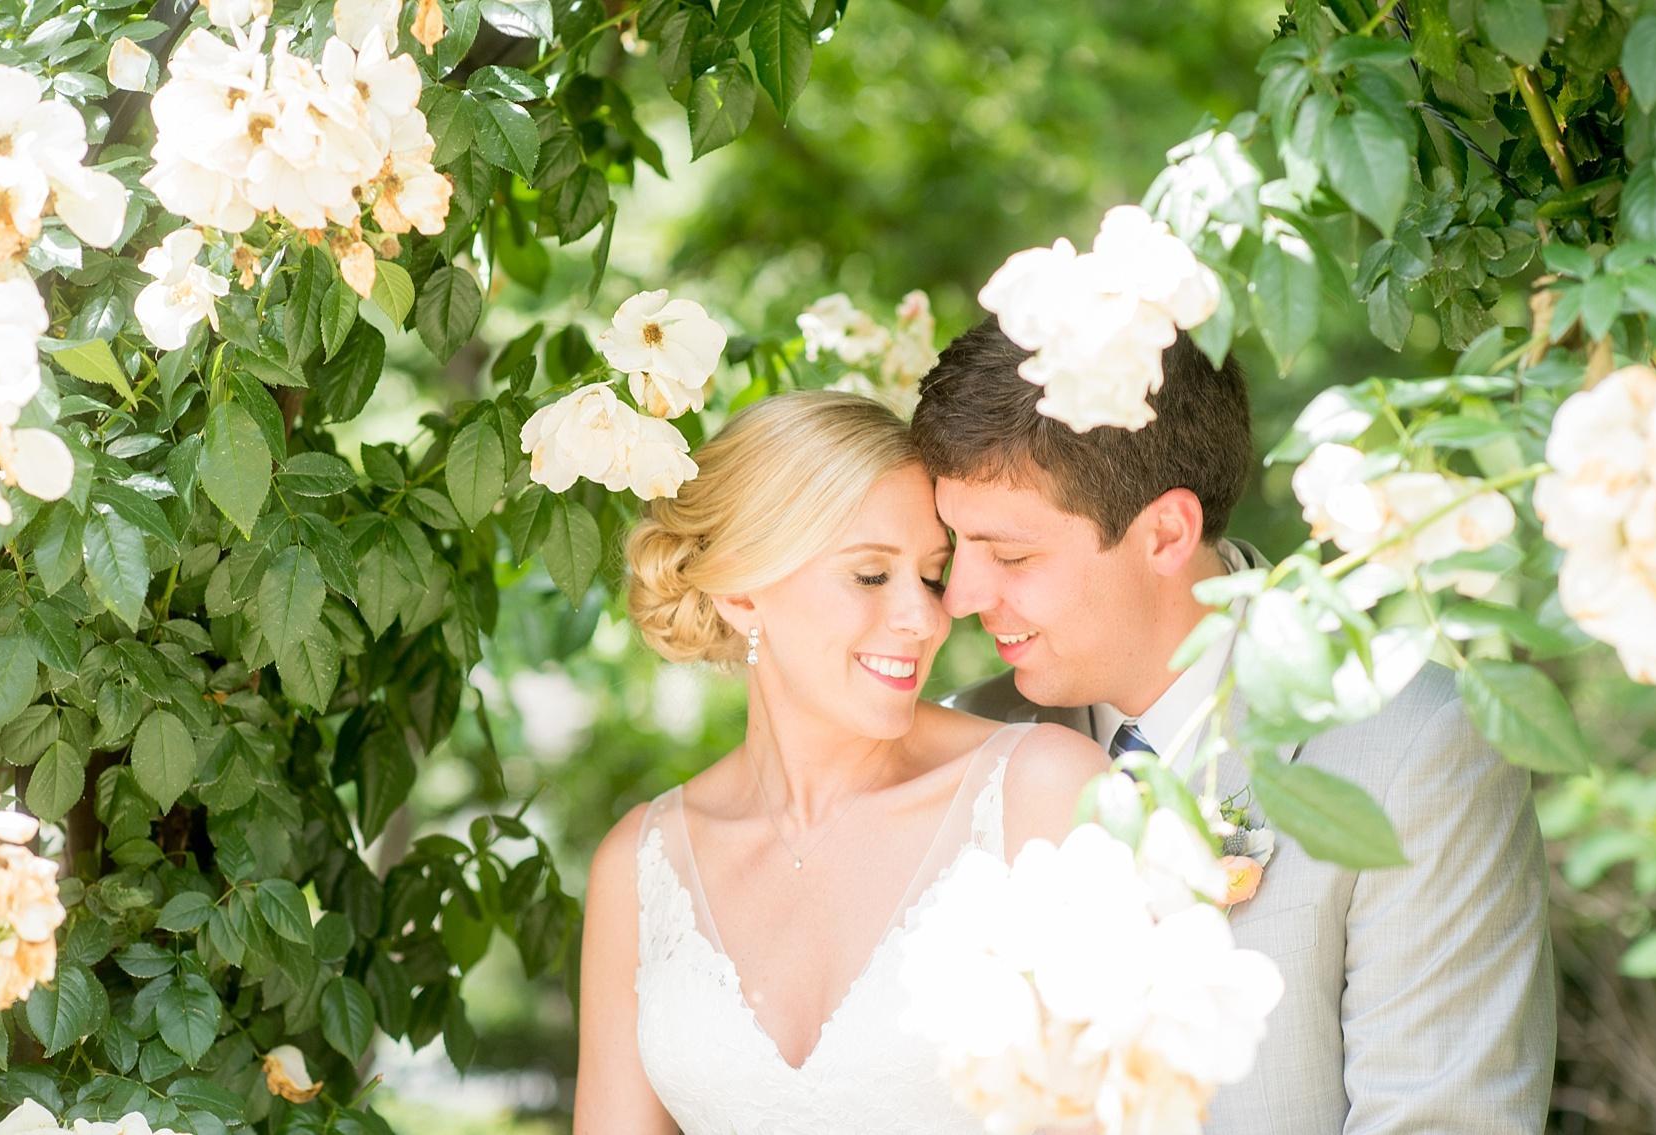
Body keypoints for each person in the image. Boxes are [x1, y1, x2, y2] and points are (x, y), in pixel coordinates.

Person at [912, 318, 1556, 1134]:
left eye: (1008, 556)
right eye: (952, 546)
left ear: (1167, 533)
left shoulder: (1417, 747)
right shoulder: (966, 739)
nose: (960, 596)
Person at [574, 390, 1108, 1133]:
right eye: (868, 575)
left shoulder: (1045, 795)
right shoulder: (638, 865)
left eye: (930, 574)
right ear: (740, 592)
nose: (923, 618)